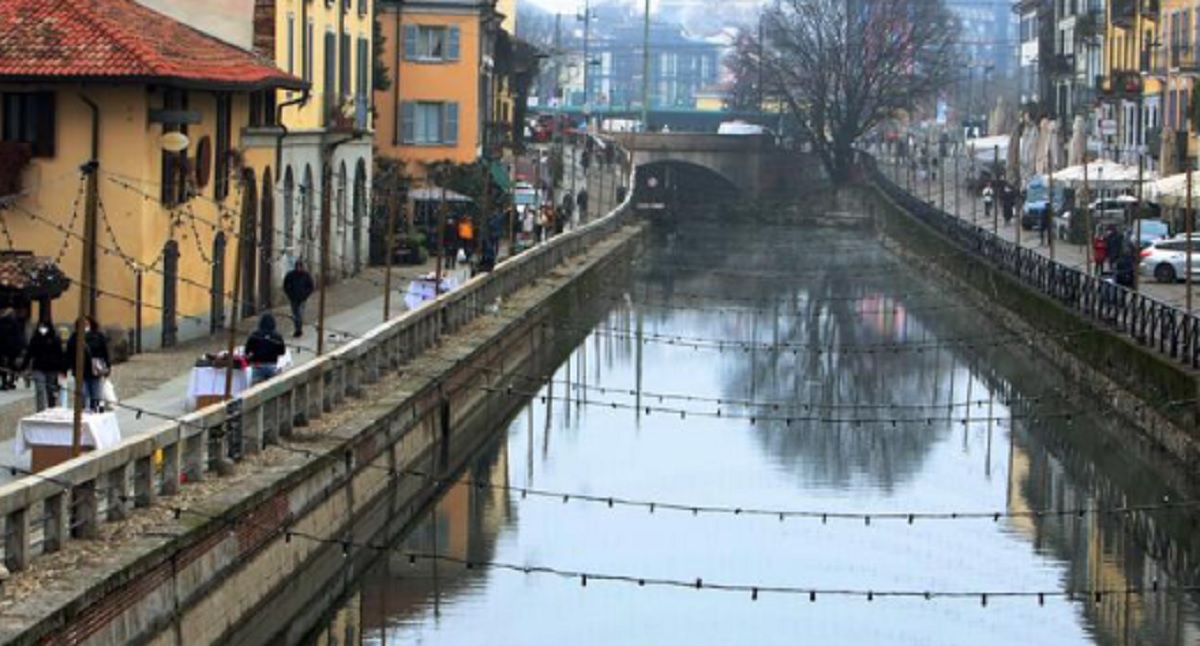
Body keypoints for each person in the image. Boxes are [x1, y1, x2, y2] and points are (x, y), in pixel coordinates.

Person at [65, 317, 109, 412]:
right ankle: (82, 414)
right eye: (82, 324)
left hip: (95, 370)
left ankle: (96, 412)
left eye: (86, 324)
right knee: (82, 395)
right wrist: (66, 367)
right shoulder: (74, 338)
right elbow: (69, 354)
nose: (84, 326)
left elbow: (105, 352)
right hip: (80, 371)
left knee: (96, 395)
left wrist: (107, 366)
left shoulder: (98, 336)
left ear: (90, 324)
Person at [22, 320, 65, 411]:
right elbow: (30, 353)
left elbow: (60, 355)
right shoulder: (35, 339)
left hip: (52, 369)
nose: (42, 329)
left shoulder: (55, 339)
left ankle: (51, 409)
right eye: (40, 327)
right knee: (40, 390)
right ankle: (40, 411)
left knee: (51, 391)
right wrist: (23, 367)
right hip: (38, 368)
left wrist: (62, 369)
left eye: (44, 327)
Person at [244, 314, 286, 385]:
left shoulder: (255, 335)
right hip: (271, 365)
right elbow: (282, 352)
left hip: (258, 366)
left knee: (255, 388)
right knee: (273, 387)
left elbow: (247, 351)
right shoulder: (277, 336)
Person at [283, 260, 315, 338]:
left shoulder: (306, 275)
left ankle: (298, 330)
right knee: (295, 314)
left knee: (299, 314)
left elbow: (311, 286)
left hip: (302, 299)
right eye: (297, 267)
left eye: (300, 267)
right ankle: (297, 329)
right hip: (293, 298)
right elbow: (285, 285)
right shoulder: (290, 275)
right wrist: (289, 294)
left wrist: (306, 294)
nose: (298, 268)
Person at [0, 307, 23, 390]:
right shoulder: (16, 323)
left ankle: (5, 382)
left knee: (3, 365)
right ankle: (11, 381)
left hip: (3, 347)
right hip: (14, 347)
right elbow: (19, 337)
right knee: (11, 364)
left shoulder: (2, 322)